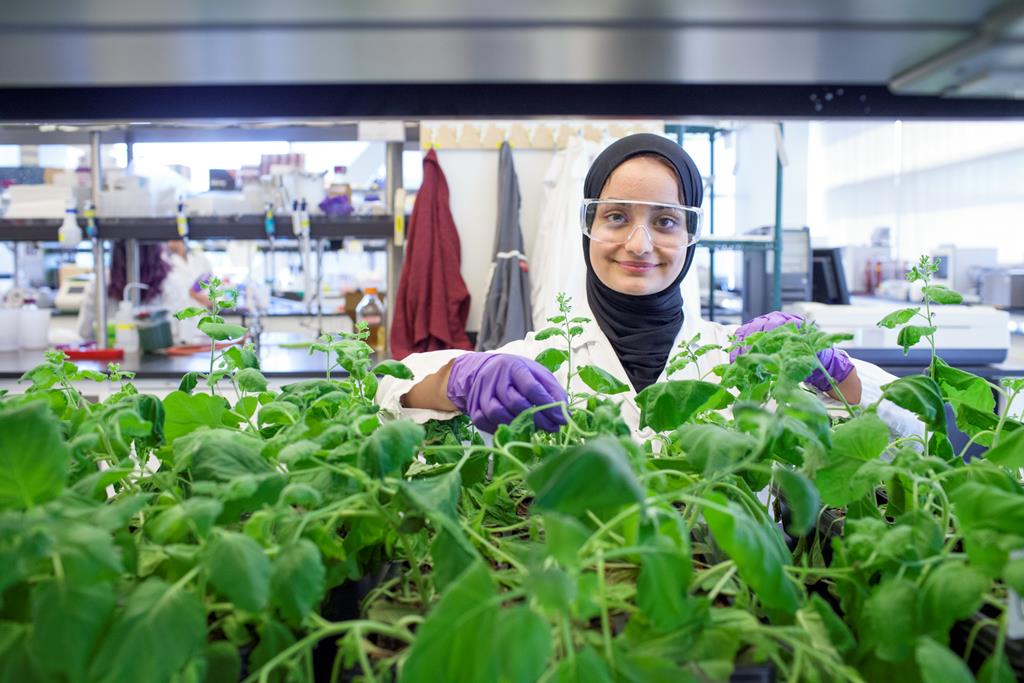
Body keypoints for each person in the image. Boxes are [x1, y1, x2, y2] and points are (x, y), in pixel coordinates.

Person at [377, 134, 917, 438]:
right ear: (587, 226)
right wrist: (453, 379)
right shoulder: (540, 357)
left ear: (690, 236)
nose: (638, 244)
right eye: (616, 217)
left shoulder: (738, 361)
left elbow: (913, 437)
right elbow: (385, 397)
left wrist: (836, 374)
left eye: (664, 221)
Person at [78, 239, 213, 345]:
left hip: (114, 364)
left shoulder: (98, 284)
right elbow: (179, 333)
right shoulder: (170, 281)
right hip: (156, 364)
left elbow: (85, 333)